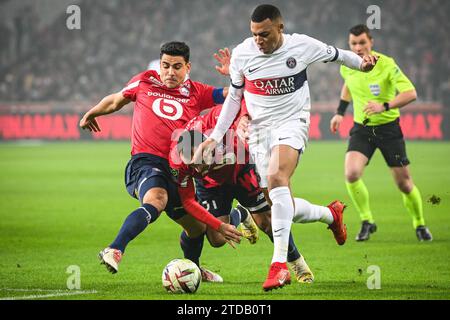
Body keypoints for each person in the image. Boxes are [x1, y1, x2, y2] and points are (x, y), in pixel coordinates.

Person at [194, 4, 378, 291]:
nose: (259, 40)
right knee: (280, 205)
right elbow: (234, 98)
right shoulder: (243, 53)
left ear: (280, 28)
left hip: (292, 123)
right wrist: (215, 137)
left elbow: (338, 55)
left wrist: (362, 63)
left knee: (279, 177)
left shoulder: (301, 46)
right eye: (254, 34)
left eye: (265, 34)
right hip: (259, 131)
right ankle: (330, 215)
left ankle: (279, 266)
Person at [79, 41, 241, 282]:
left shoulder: (198, 91)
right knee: (157, 198)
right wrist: (91, 113)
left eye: (177, 67)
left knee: (198, 229)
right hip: (146, 160)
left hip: (179, 170)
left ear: (188, 67)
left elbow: (234, 94)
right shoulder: (145, 81)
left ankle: (193, 269)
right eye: (165, 66)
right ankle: (115, 248)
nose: (170, 72)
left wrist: (234, 75)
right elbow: (115, 100)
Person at [170, 104, 316, 283]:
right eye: (194, 166)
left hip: (243, 172)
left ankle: (297, 262)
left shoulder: (221, 122)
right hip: (211, 186)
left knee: (267, 222)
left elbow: (241, 100)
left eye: (201, 163)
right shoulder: (178, 162)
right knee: (217, 240)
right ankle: (241, 213)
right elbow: (188, 201)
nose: (199, 169)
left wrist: (244, 118)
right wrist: (218, 224)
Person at [329, 24, 432, 242]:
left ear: (371, 42)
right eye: (353, 43)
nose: (357, 48)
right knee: (351, 173)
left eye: (362, 43)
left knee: (404, 183)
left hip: (388, 129)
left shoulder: (387, 64)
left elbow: (411, 93)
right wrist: (340, 112)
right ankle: (367, 221)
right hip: (362, 128)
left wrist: (384, 106)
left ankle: (419, 223)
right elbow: (348, 85)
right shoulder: (347, 65)